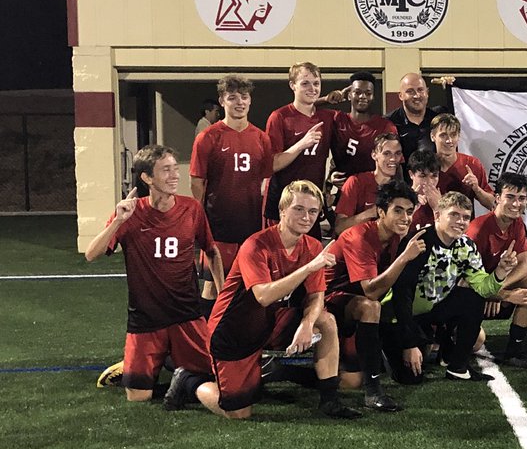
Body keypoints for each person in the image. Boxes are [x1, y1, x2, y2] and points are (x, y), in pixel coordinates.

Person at [188, 180, 360, 419]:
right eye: (298, 209)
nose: (306, 217)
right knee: (238, 413)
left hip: (269, 322)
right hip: (234, 329)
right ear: (282, 211)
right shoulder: (255, 245)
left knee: (325, 320)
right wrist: (310, 267)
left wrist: (307, 324)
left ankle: (330, 400)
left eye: (313, 211)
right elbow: (263, 296)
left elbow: (316, 296)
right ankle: (189, 381)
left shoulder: (311, 245)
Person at [85, 145, 222, 404]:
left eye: (175, 169)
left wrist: (222, 294)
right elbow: (92, 254)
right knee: (139, 397)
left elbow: (212, 251)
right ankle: (141, 366)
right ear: (147, 178)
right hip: (146, 317)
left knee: (214, 379)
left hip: (186, 313)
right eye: (166, 170)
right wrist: (118, 220)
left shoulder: (192, 208)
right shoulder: (130, 213)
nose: (175, 175)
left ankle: (171, 366)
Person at [385, 192, 527, 383]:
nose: (460, 221)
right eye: (454, 215)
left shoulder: (466, 246)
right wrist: (409, 343)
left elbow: (483, 289)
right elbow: (401, 295)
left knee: (473, 297)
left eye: (465, 217)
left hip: (431, 312)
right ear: (437, 215)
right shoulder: (418, 242)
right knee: (410, 378)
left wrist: (500, 272)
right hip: (399, 316)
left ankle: (458, 366)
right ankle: (389, 346)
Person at [324, 180, 426, 411]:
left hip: (355, 305)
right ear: (381, 212)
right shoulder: (359, 237)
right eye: (398, 210)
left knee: (353, 380)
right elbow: (371, 291)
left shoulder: (396, 235)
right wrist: (404, 258)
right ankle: (373, 393)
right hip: (328, 303)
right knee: (371, 307)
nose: (405, 218)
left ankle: (282, 371)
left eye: (409, 211)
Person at [190, 74, 273, 305]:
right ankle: (208, 327)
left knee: (249, 284)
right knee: (213, 286)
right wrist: (201, 219)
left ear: (250, 100)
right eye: (232, 97)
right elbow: (197, 182)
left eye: (244, 97)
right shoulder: (208, 137)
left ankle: (238, 327)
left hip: (251, 224)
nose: (239, 102)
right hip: (218, 224)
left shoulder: (261, 138)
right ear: (222, 101)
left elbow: (265, 180)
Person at [467, 172, 527, 368]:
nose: (516, 204)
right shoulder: (478, 230)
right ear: (497, 198)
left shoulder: (517, 223)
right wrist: (495, 293)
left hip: (492, 291)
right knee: (475, 342)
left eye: (521, 198)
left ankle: (514, 352)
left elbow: (526, 265)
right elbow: (464, 279)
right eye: (510, 197)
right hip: (469, 294)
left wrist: (498, 290)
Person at [265, 61, 342, 226]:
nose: (312, 88)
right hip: (284, 201)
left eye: (316, 83)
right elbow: (272, 164)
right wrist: (301, 144)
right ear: (292, 85)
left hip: (312, 201)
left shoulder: (328, 117)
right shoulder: (280, 117)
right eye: (305, 83)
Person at [329, 71, 398, 180]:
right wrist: (326, 99)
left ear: (373, 96)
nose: (362, 96)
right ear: (349, 95)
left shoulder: (385, 126)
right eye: (357, 92)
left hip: (375, 188)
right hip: (344, 188)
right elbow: (306, 109)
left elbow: (395, 164)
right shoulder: (337, 120)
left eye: (368, 93)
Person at [333, 133, 403, 236]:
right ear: (374, 155)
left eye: (397, 153)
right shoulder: (356, 182)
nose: (393, 159)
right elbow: (339, 227)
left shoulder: (401, 188)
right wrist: (371, 213)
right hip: (355, 243)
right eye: (386, 153)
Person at [429, 113, 496, 211]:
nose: (449, 140)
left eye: (453, 135)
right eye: (443, 135)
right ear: (432, 136)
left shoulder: (472, 164)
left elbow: (492, 204)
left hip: (462, 220)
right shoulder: (425, 165)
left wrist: (477, 189)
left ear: (459, 136)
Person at [386, 72, 455, 161]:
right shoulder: (389, 122)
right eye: (410, 91)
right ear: (401, 96)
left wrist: (455, 86)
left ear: (427, 93)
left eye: (420, 90)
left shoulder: (440, 118)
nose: (416, 95)